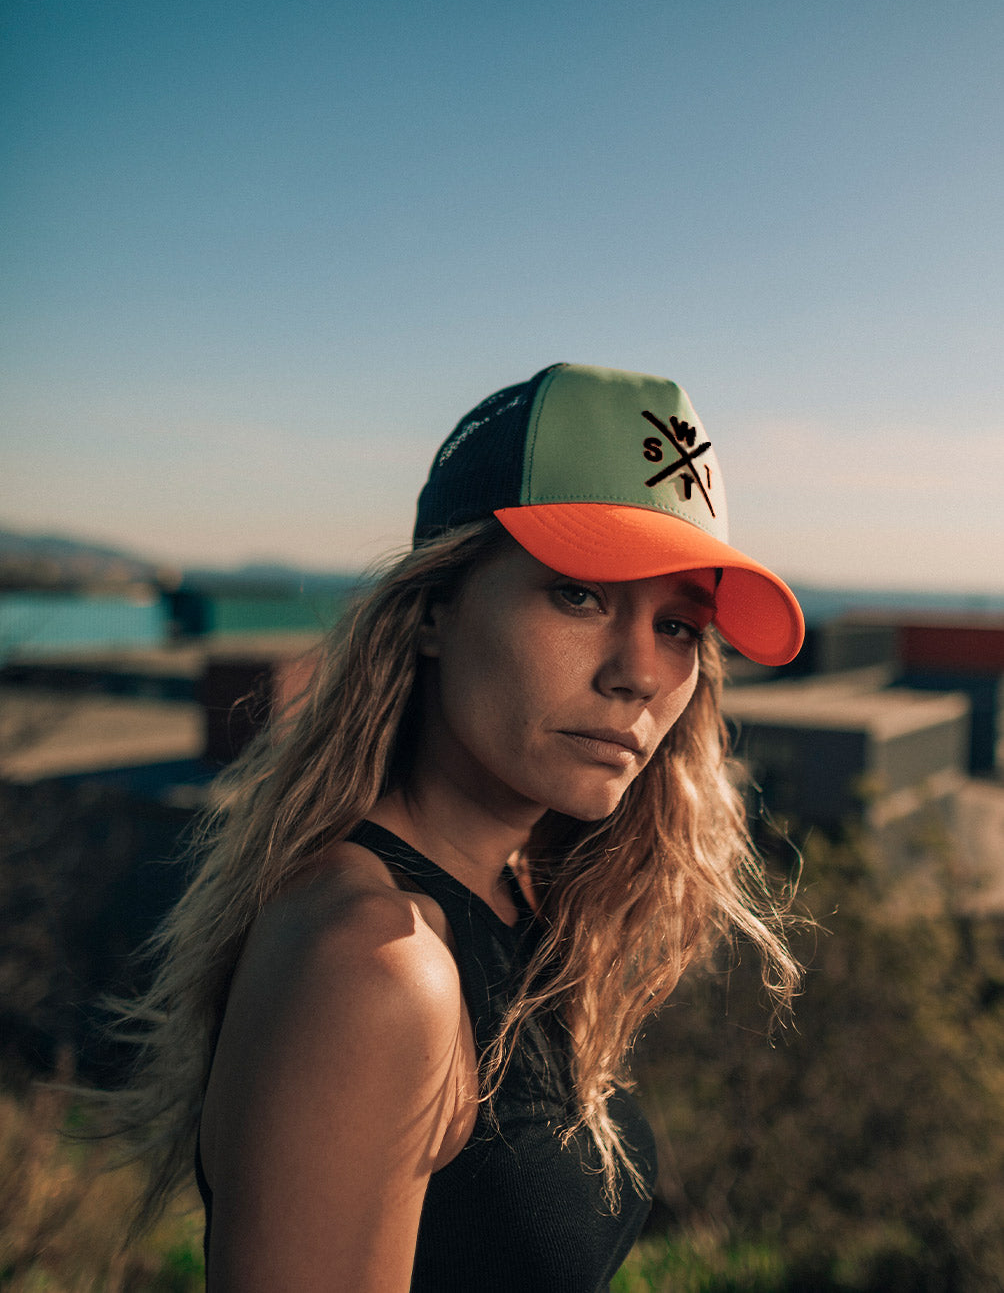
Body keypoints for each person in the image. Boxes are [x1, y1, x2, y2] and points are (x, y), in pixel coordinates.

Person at [108, 363, 805, 1291]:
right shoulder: (377, 963)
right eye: (580, 595)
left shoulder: (521, 892)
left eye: (679, 626)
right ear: (435, 608)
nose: (639, 673)